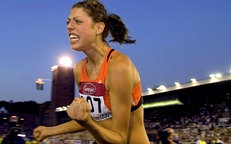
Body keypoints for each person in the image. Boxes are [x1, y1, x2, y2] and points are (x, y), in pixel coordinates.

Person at [33, 0, 150, 144]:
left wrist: (88, 121)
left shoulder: (118, 66)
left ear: (99, 28)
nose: (69, 26)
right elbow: (92, 118)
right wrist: (49, 131)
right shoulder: (78, 69)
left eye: (78, 21)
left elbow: (119, 138)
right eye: (68, 22)